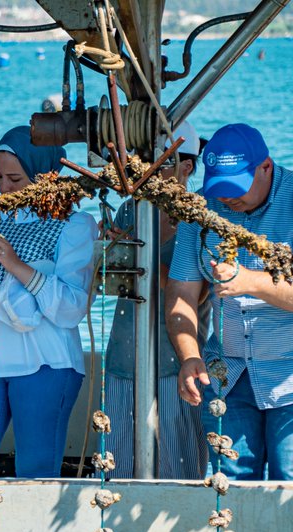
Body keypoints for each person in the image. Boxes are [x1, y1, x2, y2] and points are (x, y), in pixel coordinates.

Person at [166, 123, 293, 481]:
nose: (227, 199)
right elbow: (180, 294)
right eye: (219, 188)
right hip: (228, 374)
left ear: (266, 167)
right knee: (227, 486)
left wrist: (249, 282)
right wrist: (189, 355)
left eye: (236, 187)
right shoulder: (203, 208)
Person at [0, 126, 97, 478]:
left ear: (46, 175)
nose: (4, 188)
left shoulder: (76, 224)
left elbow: (72, 307)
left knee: (36, 473)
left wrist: (15, 265)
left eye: (15, 178)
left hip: (45, 363)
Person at [102, 122, 210, 479]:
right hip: (123, 356)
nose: (151, 172)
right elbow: (114, 284)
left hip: (175, 363)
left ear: (187, 166)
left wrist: (140, 257)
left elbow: (202, 294)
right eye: (147, 161)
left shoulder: (201, 219)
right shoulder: (130, 210)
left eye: (164, 163)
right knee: (117, 466)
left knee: (179, 469)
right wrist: (111, 253)